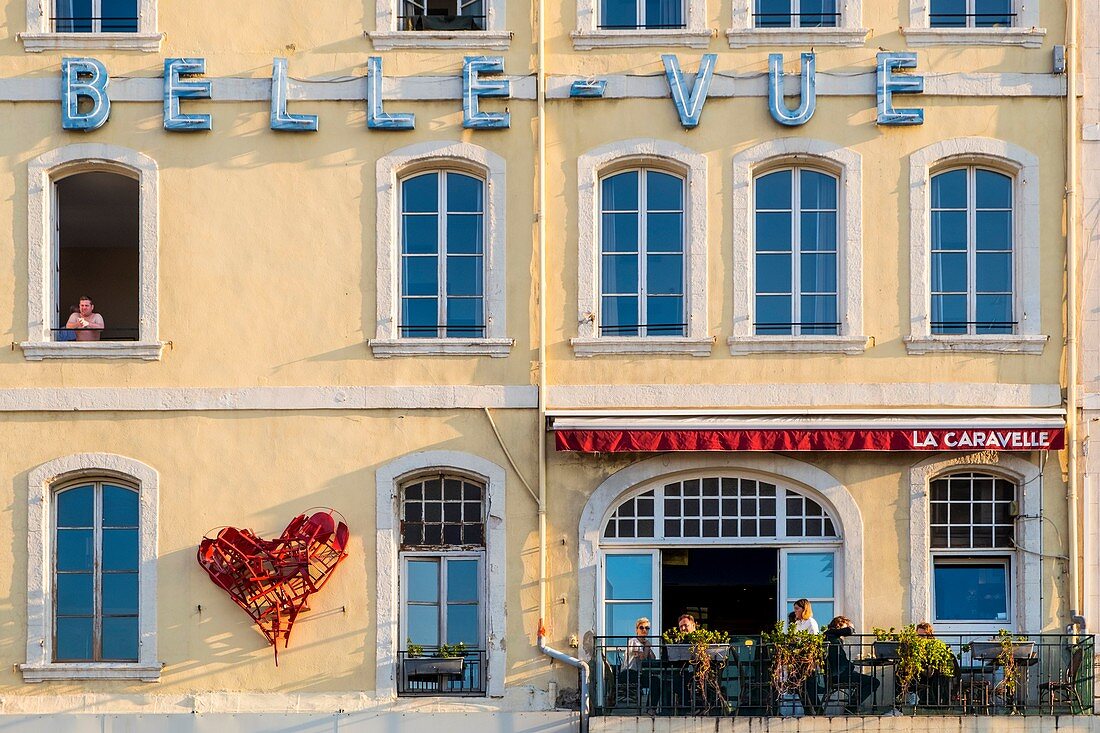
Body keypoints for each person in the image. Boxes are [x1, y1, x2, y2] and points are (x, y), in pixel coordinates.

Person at [823, 615, 880, 712]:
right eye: (846, 626)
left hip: (835, 675)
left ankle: (852, 707)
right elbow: (840, 663)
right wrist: (852, 665)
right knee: (874, 682)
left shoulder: (830, 637)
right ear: (839, 626)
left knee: (868, 681)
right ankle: (851, 708)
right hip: (839, 676)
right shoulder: (832, 638)